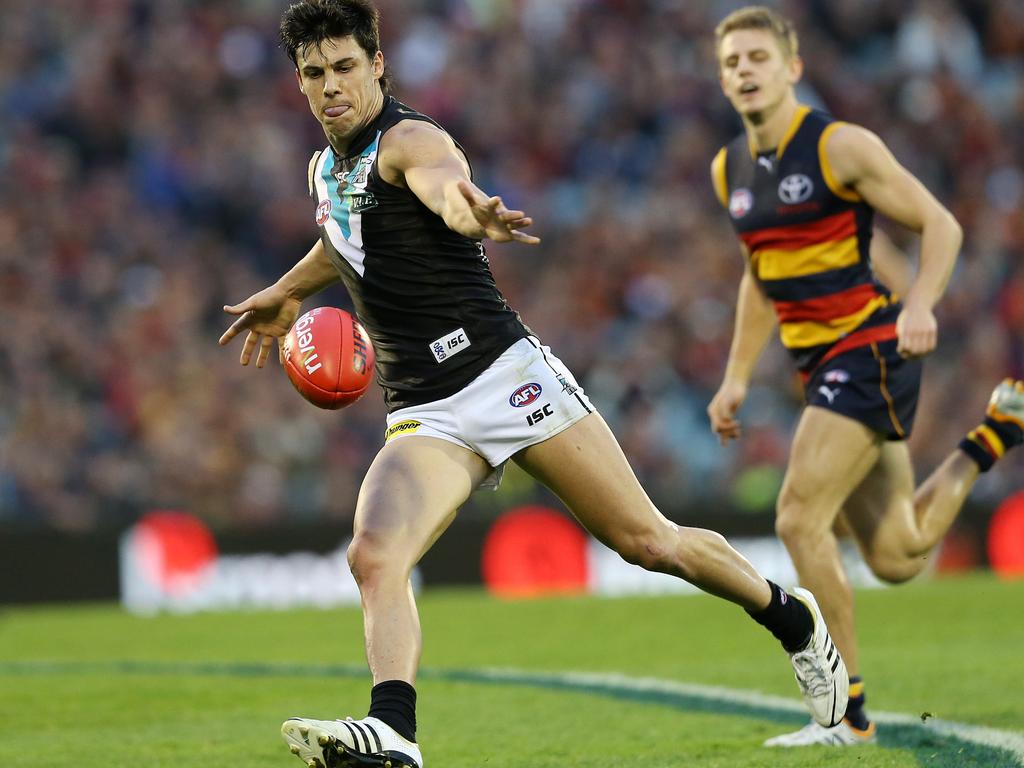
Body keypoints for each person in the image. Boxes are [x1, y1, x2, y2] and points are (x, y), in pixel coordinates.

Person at [220, 2, 850, 766]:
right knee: (373, 554)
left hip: (502, 375)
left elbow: (440, 185)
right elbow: (346, 235)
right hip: (425, 409)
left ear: (378, 65)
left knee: (650, 543)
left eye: (345, 67)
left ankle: (791, 618)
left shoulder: (410, 139)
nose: (331, 87)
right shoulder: (325, 167)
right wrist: (288, 289)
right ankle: (394, 732)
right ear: (298, 80)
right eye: (314, 73)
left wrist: (467, 207)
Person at [708, 5, 1024, 748]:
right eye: (732, 63)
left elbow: (940, 223)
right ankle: (993, 436)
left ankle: (847, 713)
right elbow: (761, 275)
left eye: (758, 58)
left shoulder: (839, 147)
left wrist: (920, 303)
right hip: (820, 366)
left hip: (870, 348)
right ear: (722, 81)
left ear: (792, 68)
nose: (744, 71)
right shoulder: (730, 170)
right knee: (898, 554)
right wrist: (735, 378)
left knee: (796, 517)